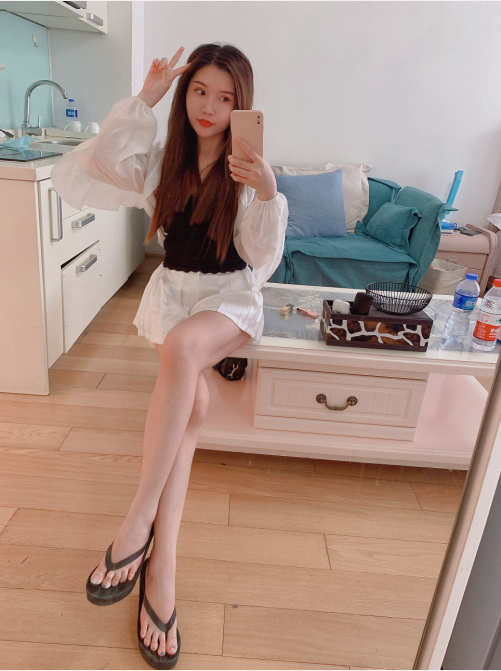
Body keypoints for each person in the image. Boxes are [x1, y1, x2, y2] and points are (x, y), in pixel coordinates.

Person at [51, 43, 288, 669]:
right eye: (199, 91)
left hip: (229, 301)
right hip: (174, 296)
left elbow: (260, 259)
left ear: (242, 105)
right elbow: (102, 160)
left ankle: (137, 522)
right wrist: (146, 98)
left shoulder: (249, 171)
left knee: (184, 349)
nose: (209, 107)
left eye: (226, 97)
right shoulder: (164, 161)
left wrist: (268, 193)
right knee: (194, 407)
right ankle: (163, 569)